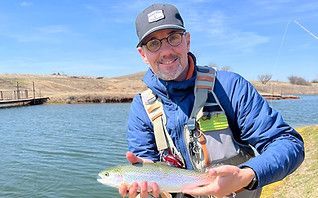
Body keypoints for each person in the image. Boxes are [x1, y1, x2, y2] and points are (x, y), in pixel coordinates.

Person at [119, 3, 304, 198]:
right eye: (153, 43)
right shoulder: (142, 106)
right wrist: (143, 188)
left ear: (187, 41)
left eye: (173, 38)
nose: (166, 51)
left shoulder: (230, 86)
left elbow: (288, 142)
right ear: (143, 54)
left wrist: (247, 175)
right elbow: (144, 159)